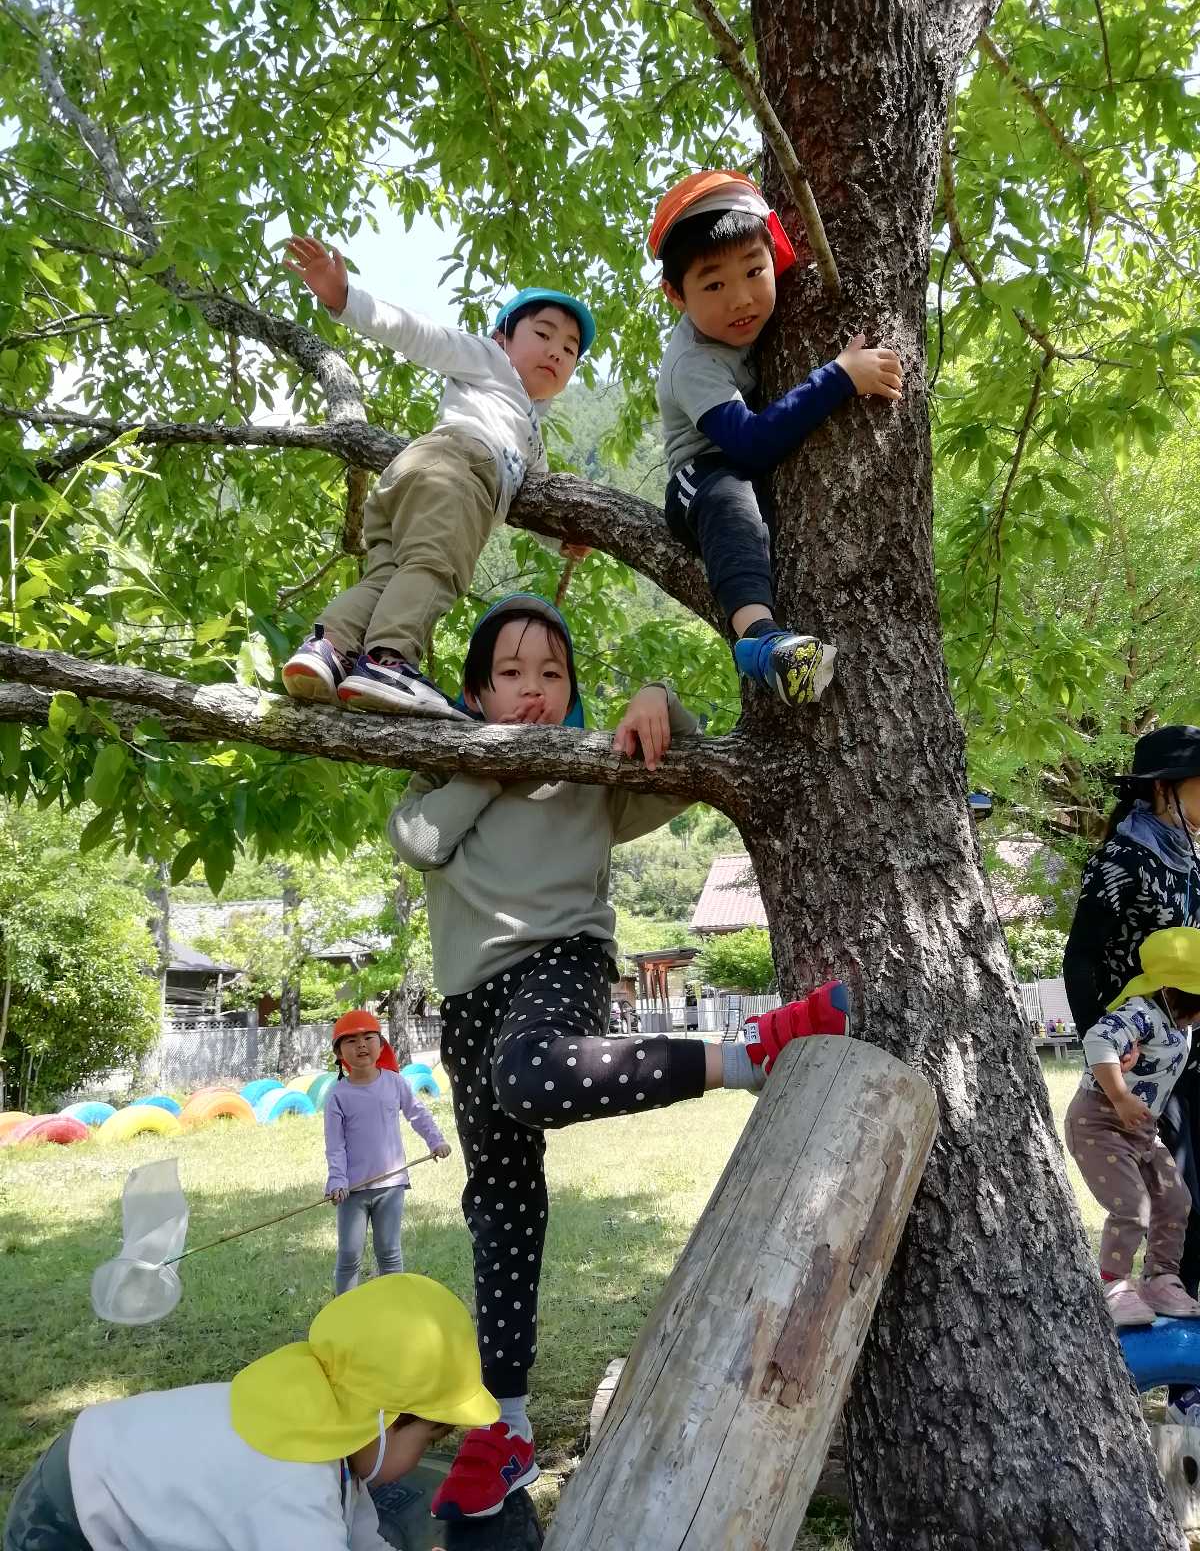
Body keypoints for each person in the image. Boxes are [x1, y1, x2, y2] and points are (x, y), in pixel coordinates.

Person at [389, 591, 848, 1520]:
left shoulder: (586, 774)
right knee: (501, 1202)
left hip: (560, 962)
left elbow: (683, 768)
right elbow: (423, 842)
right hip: (468, 1000)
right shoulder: (440, 772)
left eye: (552, 675)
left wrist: (655, 698)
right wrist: (490, 756)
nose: (533, 692)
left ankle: (746, 1055)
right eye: (510, 675)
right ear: (474, 693)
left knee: (532, 1075)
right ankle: (506, 1426)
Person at [280, 235, 594, 716]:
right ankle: (388, 660)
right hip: (457, 469)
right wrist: (344, 298)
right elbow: (422, 335)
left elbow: (533, 499)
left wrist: (561, 541)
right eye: (544, 334)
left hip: (408, 478)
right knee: (434, 565)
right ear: (501, 339)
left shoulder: (530, 437)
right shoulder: (489, 363)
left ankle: (327, 648)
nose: (557, 351)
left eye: (570, 349)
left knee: (387, 574)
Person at [3, 1273, 499, 1551]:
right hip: (68, 1516)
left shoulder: (321, 1423)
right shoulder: (290, 1488)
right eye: (429, 1441)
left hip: (99, 1456)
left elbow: (356, 1528)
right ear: (387, 1420)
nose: (427, 1456)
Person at [647, 170, 903, 708]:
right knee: (732, 497)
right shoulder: (692, 363)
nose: (741, 299)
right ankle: (760, 643)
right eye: (713, 285)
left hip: (747, 474)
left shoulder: (759, 315)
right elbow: (752, 445)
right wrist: (838, 377)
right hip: (705, 479)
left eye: (754, 271)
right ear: (676, 294)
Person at [1062, 726, 1200, 1413]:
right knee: (1148, 1197)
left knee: (1184, 1198)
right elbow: (1081, 958)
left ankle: (1175, 1311)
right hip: (1132, 1060)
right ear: (1164, 789)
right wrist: (1106, 1053)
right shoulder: (1123, 857)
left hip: (1183, 1051)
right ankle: (1178, 1381)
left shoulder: (1188, 858)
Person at [1065, 928, 1200, 1326]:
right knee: (1132, 1207)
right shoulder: (1140, 1012)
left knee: (1177, 1200)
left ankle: (1161, 1278)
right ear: (1181, 992)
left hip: (1142, 1129)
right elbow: (1097, 1041)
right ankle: (1116, 1286)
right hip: (1099, 1123)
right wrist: (1121, 1095)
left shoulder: (1181, 1022)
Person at [325, 1009, 452, 1294]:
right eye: (350, 1041)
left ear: (381, 1045)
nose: (360, 1045)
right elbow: (335, 1145)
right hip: (352, 1191)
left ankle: (393, 1308)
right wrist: (336, 1181)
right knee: (348, 1255)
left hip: (391, 1186)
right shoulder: (337, 1095)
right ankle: (343, 1313)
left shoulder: (394, 1082)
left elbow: (417, 1114)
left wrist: (435, 1141)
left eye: (368, 1037)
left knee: (390, 1253)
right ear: (339, 1053)